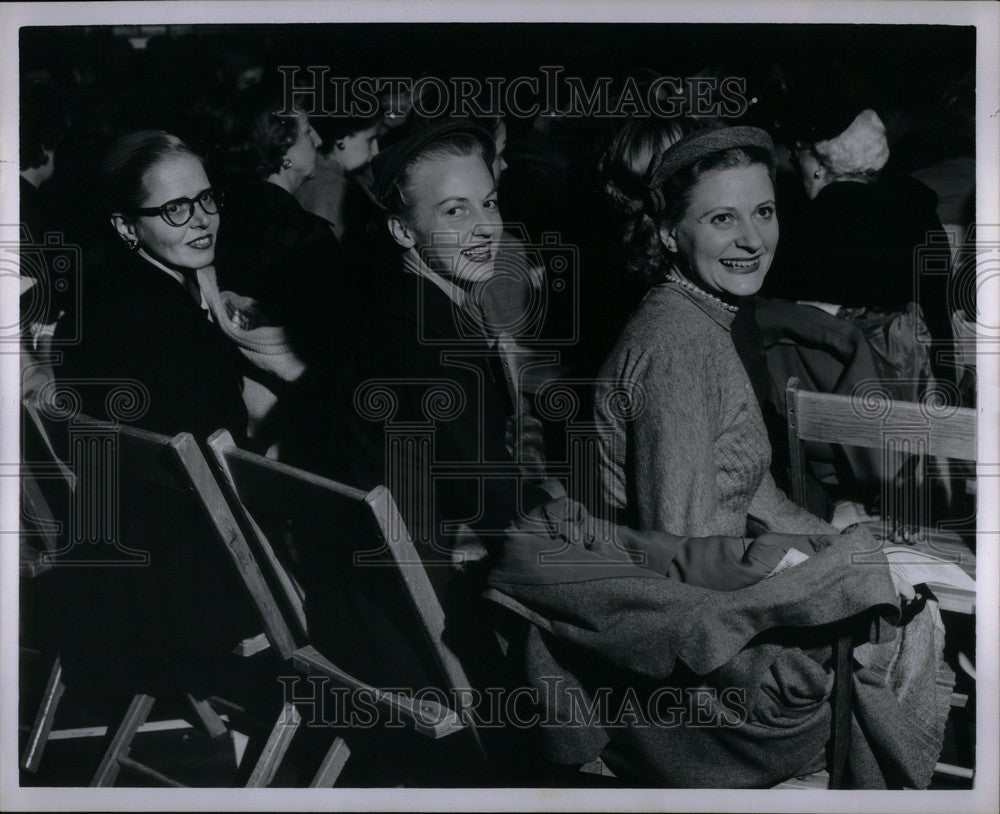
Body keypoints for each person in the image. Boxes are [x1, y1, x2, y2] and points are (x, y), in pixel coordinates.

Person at [593, 125, 835, 538]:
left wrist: (847, 550)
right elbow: (685, 548)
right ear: (668, 233)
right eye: (722, 218)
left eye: (763, 212)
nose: (753, 240)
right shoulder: (676, 344)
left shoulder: (704, 316)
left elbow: (758, 497)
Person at [55, 130, 247, 442]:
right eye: (175, 208)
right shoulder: (180, 329)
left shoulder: (92, 299)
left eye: (206, 198)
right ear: (127, 227)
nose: (202, 220)